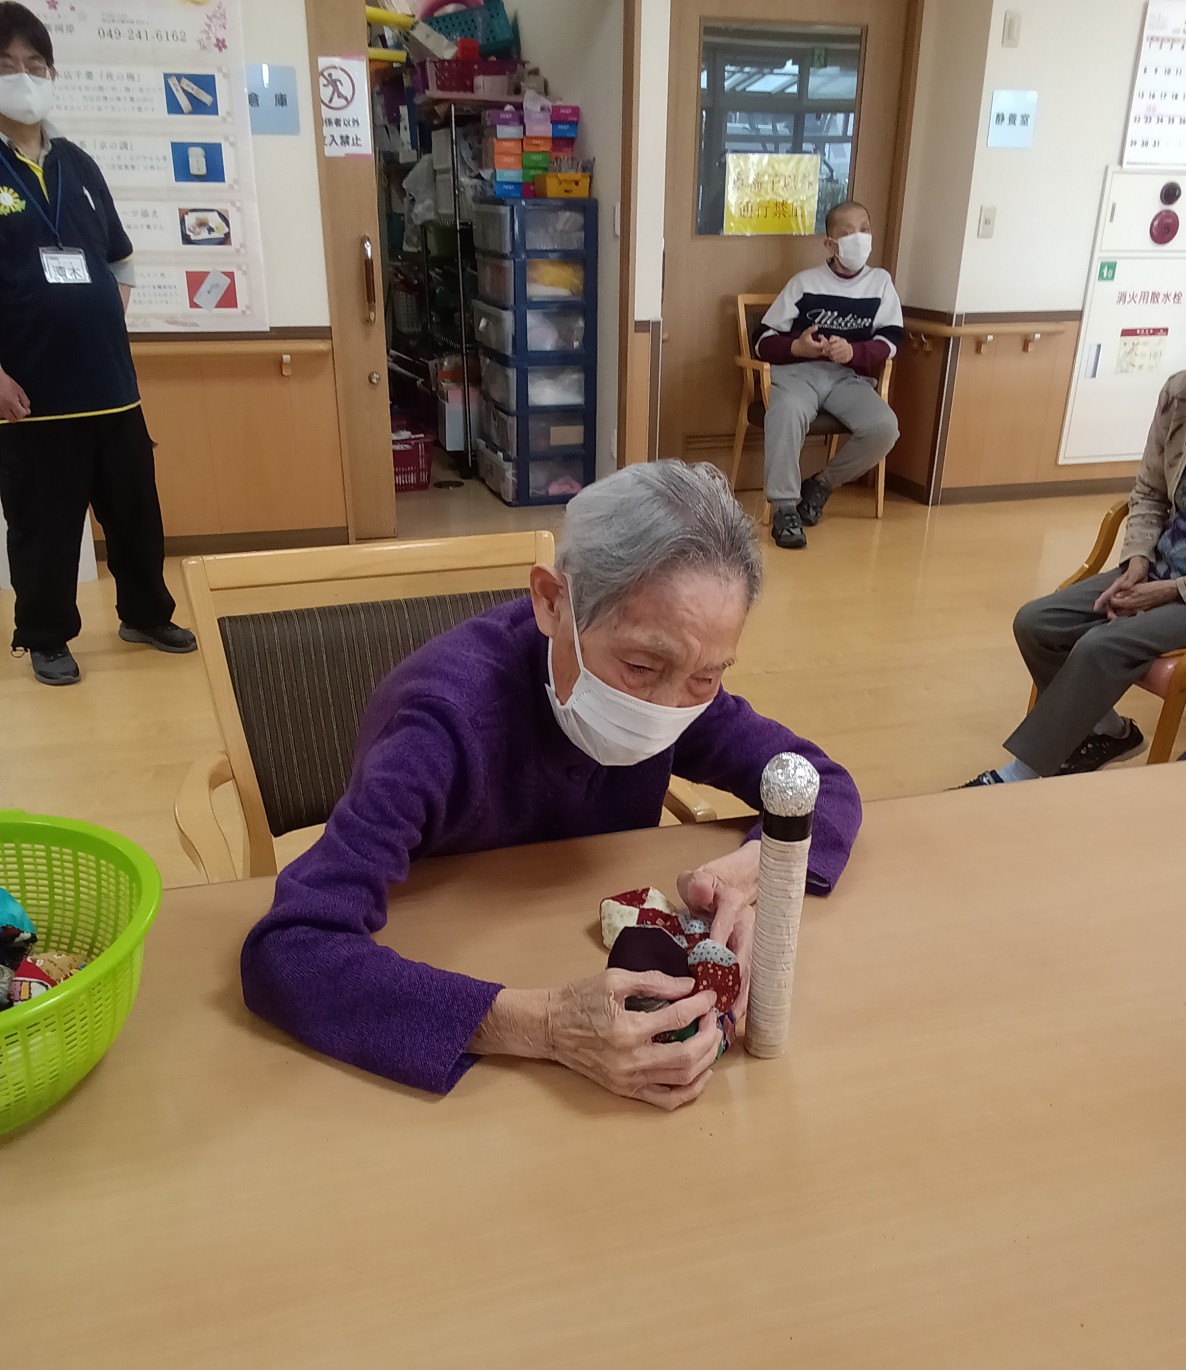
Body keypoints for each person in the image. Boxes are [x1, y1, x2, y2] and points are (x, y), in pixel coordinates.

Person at [242, 462, 863, 1111]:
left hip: (577, 943)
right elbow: (288, 949)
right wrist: (547, 1025)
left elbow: (821, 783)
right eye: (640, 666)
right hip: (450, 976)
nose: (666, 708)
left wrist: (754, 869)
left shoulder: (682, 691)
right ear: (551, 602)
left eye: (708, 676)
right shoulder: (441, 727)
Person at [0, 2, 194, 686]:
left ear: (52, 74)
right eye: (6, 66)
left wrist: (102, 317)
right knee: (44, 527)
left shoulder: (79, 165)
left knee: (137, 515)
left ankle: (146, 613)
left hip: (112, 388)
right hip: (32, 396)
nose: (24, 77)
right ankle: (46, 636)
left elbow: (120, 258)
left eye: (35, 64)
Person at [964, 341, 1186, 786]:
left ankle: (1020, 776)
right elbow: (1149, 492)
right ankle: (1110, 731)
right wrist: (1137, 561)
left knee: (1101, 645)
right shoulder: (1182, 391)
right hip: (1160, 564)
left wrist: (1170, 590)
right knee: (1037, 623)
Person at [755, 199, 902, 550]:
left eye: (864, 230)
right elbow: (762, 341)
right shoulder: (804, 283)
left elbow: (891, 340)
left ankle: (821, 485)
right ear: (830, 244)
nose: (859, 238)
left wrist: (855, 352)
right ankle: (785, 508)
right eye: (848, 233)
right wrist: (797, 347)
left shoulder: (880, 283)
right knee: (786, 411)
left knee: (885, 427)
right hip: (799, 374)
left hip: (847, 378)